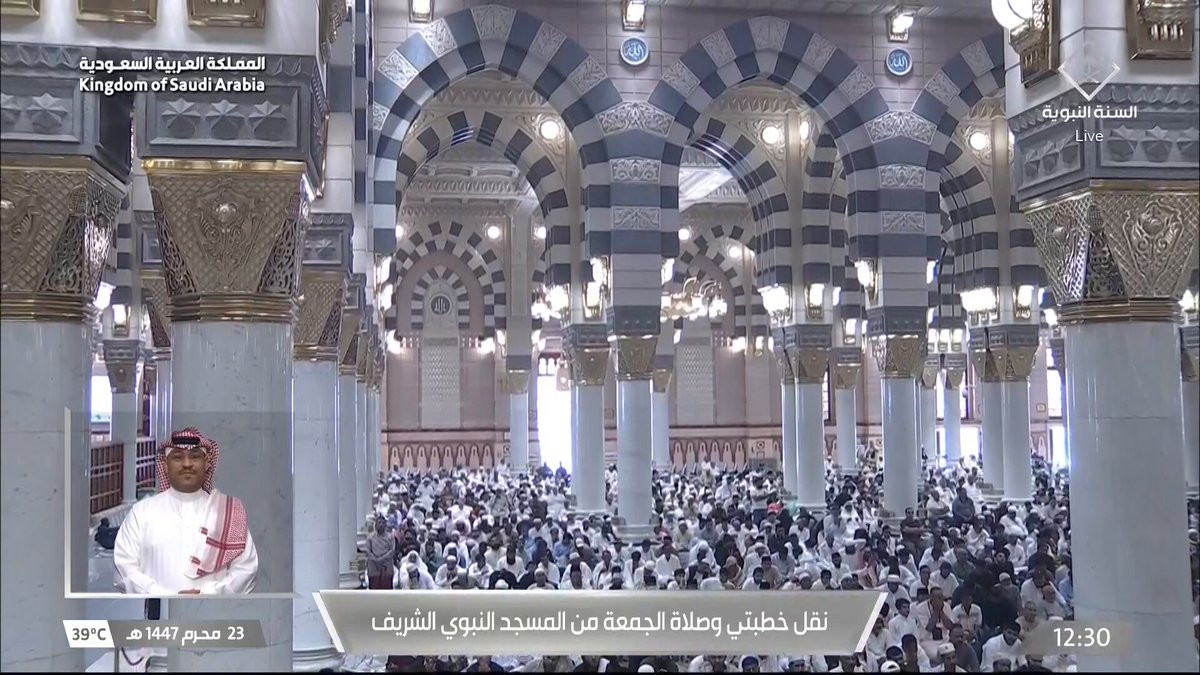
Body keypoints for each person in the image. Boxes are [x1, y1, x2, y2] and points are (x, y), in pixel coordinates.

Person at [113, 428, 257, 594]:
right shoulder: (141, 513)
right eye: (177, 457)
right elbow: (124, 568)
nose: (187, 464)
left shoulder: (229, 513)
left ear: (207, 463)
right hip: (157, 610)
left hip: (216, 610)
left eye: (195, 456)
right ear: (165, 465)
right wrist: (165, 598)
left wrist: (208, 596)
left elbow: (246, 569)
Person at [366, 517, 396, 589]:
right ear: (375, 525)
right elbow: (368, 551)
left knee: (386, 587)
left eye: (383, 523)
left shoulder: (390, 537)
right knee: (374, 587)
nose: (381, 525)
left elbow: (392, 550)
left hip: (386, 563)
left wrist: (382, 559)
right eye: (379, 523)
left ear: (386, 525)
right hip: (374, 564)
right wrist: (376, 559)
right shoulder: (370, 537)